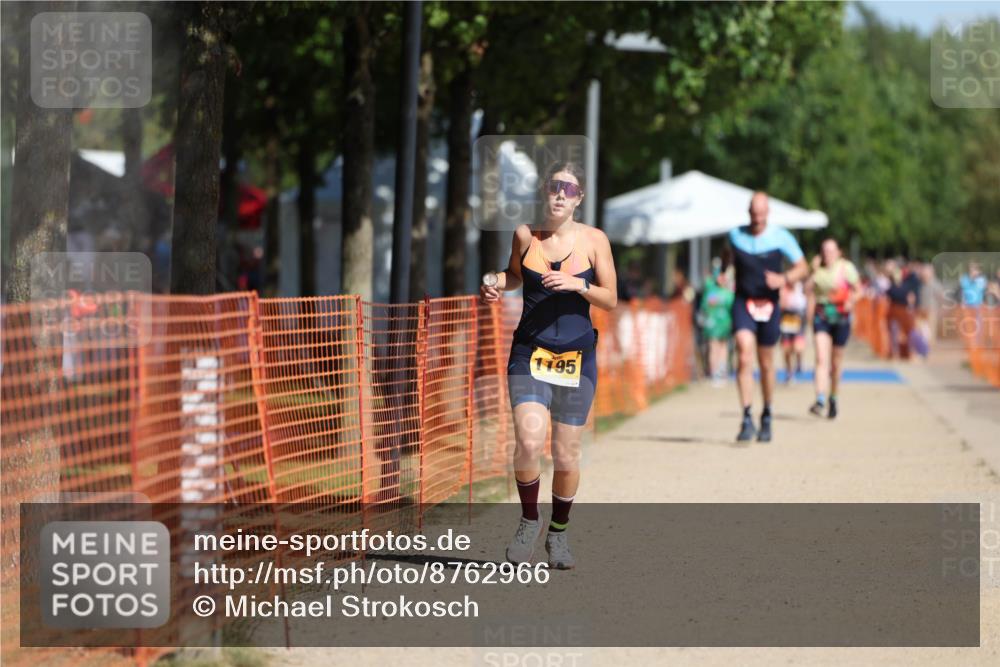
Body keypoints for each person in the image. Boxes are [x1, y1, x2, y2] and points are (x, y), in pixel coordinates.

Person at [480, 161, 617, 569]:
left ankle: (558, 533)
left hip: (577, 357)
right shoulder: (526, 235)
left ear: (579, 199)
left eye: (570, 189)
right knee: (528, 438)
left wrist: (580, 284)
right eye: (555, 186)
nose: (561, 194)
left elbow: (611, 298)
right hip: (530, 353)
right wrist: (494, 281)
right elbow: (514, 275)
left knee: (566, 452)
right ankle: (528, 519)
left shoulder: (595, 241)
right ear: (544, 191)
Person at [728, 192, 808, 442]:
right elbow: (727, 256)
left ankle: (767, 414)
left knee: (765, 362)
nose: (757, 218)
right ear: (748, 211)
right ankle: (746, 416)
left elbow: (803, 267)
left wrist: (784, 279)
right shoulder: (735, 235)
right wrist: (723, 272)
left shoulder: (781, 237)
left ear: (768, 213)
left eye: (761, 213)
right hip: (743, 301)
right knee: (744, 353)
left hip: (770, 305)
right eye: (753, 213)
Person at [807, 238, 861, 419]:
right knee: (821, 358)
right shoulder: (818, 270)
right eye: (824, 251)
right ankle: (820, 398)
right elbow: (806, 290)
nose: (827, 254)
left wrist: (850, 301)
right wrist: (812, 271)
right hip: (821, 315)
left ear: (838, 252)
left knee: (835, 364)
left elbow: (859, 290)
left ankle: (833, 397)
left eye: (831, 251)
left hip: (841, 317)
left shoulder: (846, 268)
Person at [699, 263, 735, 386]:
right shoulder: (711, 291)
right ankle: (714, 373)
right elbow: (704, 307)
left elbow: (732, 308)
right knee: (714, 347)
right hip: (713, 324)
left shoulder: (728, 292)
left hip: (725, 324)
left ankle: (722, 372)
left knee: (723, 347)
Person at [778, 279, 808, 383]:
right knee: (786, 349)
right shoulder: (783, 288)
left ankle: (799, 363)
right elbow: (781, 304)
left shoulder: (801, 287)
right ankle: (789, 372)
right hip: (786, 320)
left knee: (798, 347)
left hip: (798, 319)